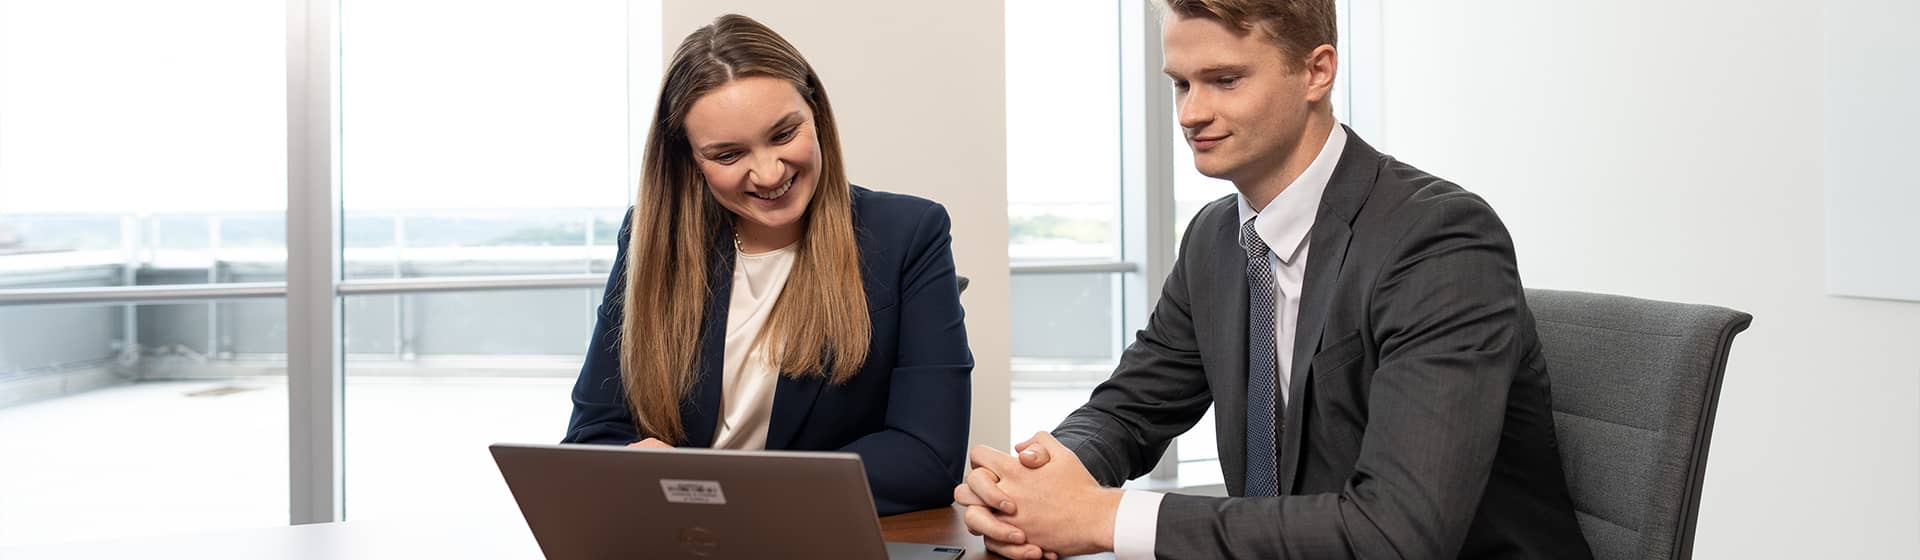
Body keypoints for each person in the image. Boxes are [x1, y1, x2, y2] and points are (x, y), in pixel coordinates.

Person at [956, 0, 1594, 558]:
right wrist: (1037, 480)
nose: (1190, 113)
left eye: (1225, 80)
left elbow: (1397, 533)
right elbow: (1130, 409)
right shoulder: (1215, 238)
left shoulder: (1439, 241)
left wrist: (1103, 517)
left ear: (1317, 70)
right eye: (1180, 84)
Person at [562, 14, 972, 516]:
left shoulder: (910, 232)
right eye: (729, 154)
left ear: (815, 112)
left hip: (812, 536)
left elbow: (928, 455)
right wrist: (629, 462)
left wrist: (736, 493)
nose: (769, 172)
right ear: (691, 159)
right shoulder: (650, 236)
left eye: (783, 135)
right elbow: (591, 436)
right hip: (679, 535)